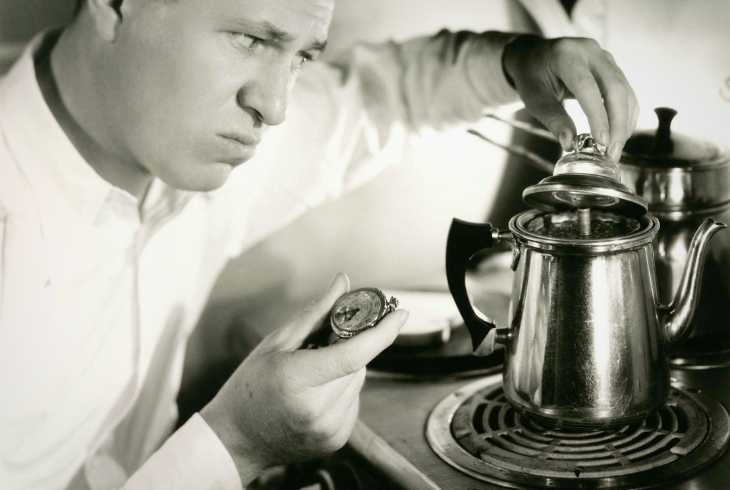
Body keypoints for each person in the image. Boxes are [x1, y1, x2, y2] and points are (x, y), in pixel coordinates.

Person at [0, 0, 637, 488]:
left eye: (301, 56)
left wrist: (516, 62)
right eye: (250, 39)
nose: (274, 106)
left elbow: (376, 98)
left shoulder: (177, 139)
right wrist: (235, 445)